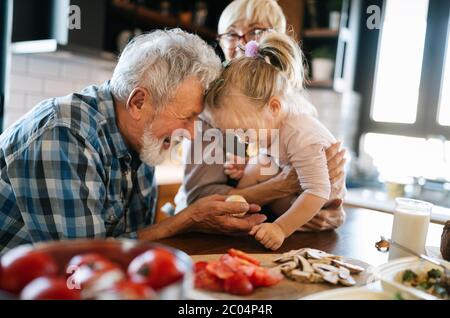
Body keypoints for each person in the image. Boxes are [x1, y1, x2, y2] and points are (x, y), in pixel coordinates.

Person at [0, 29, 266, 253]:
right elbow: (83, 261)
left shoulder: (142, 138)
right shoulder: (64, 134)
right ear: (138, 103)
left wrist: (191, 220)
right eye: (187, 117)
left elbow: (132, 239)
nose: (192, 133)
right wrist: (187, 219)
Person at [176, 0, 346, 232]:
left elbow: (317, 190)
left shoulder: (292, 111)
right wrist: (284, 184)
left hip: (264, 229)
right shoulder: (212, 107)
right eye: (231, 34)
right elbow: (199, 198)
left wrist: (326, 210)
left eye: (256, 31)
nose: (243, 43)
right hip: (212, 232)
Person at [204, 33, 346, 251]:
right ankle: (241, 212)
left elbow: (316, 191)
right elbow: (274, 158)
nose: (240, 139)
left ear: (274, 107)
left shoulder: (302, 135)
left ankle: (251, 215)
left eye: (243, 131)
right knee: (255, 166)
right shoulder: (273, 123)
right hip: (295, 189)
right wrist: (249, 165)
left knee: (263, 173)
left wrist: (280, 228)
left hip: (318, 206)